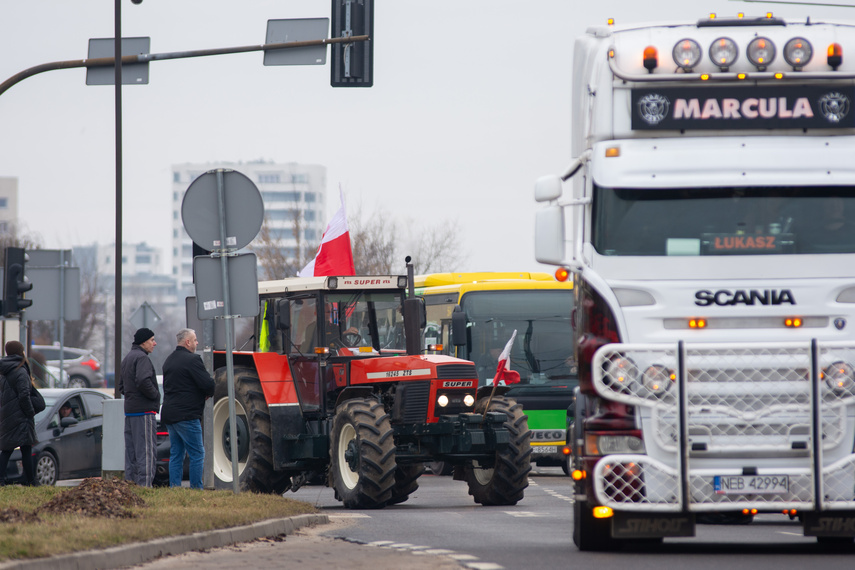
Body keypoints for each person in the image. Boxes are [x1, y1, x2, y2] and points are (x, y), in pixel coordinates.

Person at [160, 328, 215, 489]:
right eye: (195, 340)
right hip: (187, 415)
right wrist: (207, 393)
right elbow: (208, 384)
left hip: (170, 414)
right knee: (198, 454)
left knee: (176, 454)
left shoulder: (168, 360)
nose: (198, 343)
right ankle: (196, 489)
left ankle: (175, 488)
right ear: (187, 342)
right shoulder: (192, 360)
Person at [119, 327, 160, 487]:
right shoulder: (142, 358)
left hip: (130, 412)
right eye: (152, 340)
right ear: (143, 342)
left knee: (132, 455)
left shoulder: (127, 358)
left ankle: (130, 488)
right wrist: (155, 395)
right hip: (144, 412)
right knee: (146, 454)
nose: (154, 343)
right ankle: (145, 488)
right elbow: (143, 381)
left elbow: (121, 386)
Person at [0, 341, 38, 486]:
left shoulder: (4, 371)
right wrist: (30, 412)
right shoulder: (20, 371)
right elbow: (24, 395)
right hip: (21, 416)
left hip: (7, 415)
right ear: (20, 352)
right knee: (25, 448)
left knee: (8, 449)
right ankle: (30, 481)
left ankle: (2, 480)